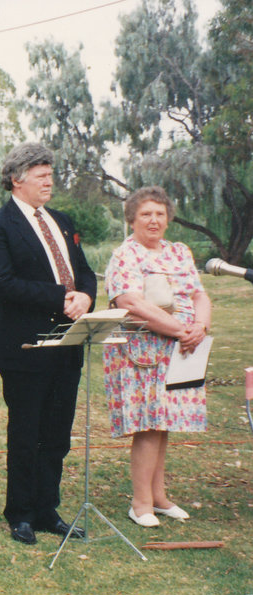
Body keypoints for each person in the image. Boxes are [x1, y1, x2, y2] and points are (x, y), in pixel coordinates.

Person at [0, 142, 97, 546]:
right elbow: (1, 282)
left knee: (58, 433)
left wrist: (85, 296)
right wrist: (59, 297)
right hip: (25, 347)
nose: (49, 180)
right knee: (27, 430)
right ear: (16, 178)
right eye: (40, 174)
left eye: (50, 173)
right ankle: (21, 513)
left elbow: (84, 273)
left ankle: (48, 509)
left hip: (68, 344)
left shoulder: (62, 221)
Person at [103, 186, 211, 527]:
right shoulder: (126, 255)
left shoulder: (179, 252)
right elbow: (131, 304)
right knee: (148, 425)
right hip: (142, 351)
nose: (154, 220)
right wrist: (182, 328)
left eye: (160, 214)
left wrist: (201, 326)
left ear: (168, 219)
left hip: (179, 349)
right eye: (146, 214)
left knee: (164, 424)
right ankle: (140, 503)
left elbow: (199, 295)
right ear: (132, 219)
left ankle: (159, 497)